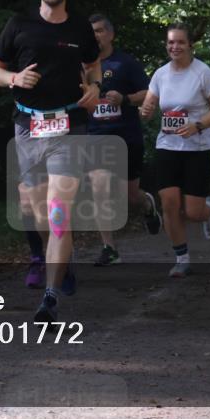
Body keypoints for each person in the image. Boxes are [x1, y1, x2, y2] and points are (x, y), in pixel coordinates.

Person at [0, 0, 101, 323]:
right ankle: (61, 260)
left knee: (57, 213)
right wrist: (13, 79)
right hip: (28, 127)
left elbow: (94, 64)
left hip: (69, 125)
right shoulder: (18, 25)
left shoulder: (81, 26)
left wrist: (96, 87)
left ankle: (50, 299)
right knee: (38, 211)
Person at [140, 23, 210, 278]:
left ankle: (208, 211)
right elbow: (148, 108)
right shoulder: (160, 74)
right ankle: (182, 257)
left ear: (190, 45)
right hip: (167, 145)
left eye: (179, 42)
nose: (174, 47)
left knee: (193, 212)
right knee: (168, 204)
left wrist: (198, 125)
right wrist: (144, 112)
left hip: (197, 148)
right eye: (170, 43)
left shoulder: (202, 72)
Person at [86, 13, 162, 267]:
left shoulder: (125, 63)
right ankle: (109, 248)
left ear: (110, 34)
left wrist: (126, 99)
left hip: (126, 135)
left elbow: (150, 93)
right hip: (96, 136)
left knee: (129, 195)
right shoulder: (82, 67)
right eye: (91, 32)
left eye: (99, 31)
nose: (95, 36)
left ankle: (148, 205)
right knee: (98, 186)